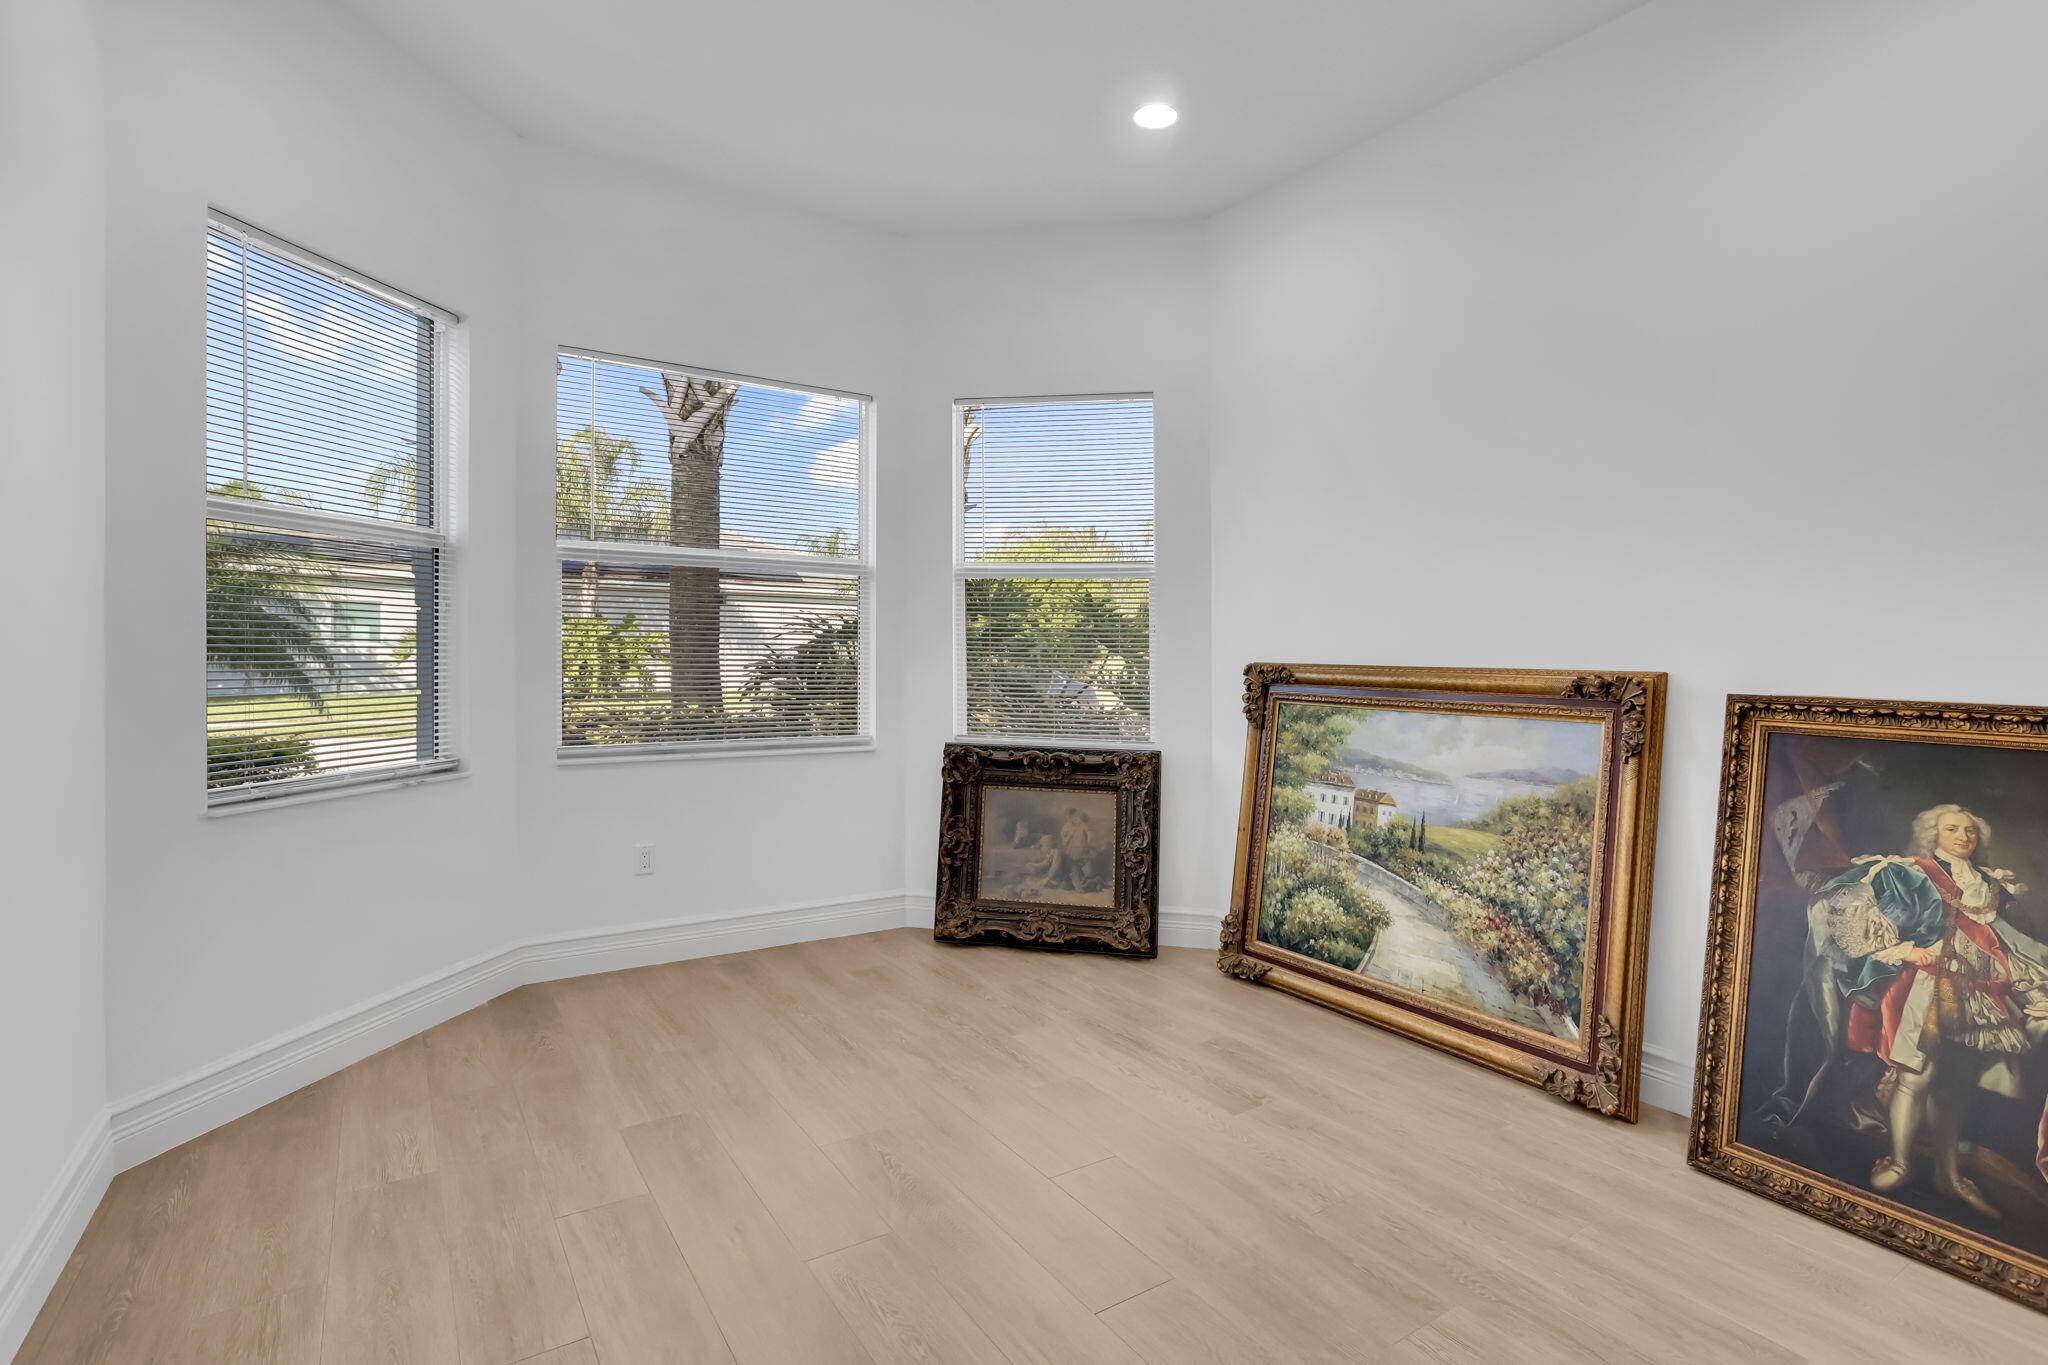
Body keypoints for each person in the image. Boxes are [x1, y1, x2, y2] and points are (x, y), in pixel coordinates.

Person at [1804, 804, 2048, 1217]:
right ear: (1933, 833)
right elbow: (1871, 916)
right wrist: (1906, 950)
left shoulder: (1990, 883)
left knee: (1957, 1082)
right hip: (1925, 985)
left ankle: (1948, 1174)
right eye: (1952, 828)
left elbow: (2002, 941)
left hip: (1980, 990)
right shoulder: (1910, 871)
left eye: (1970, 831)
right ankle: (1899, 1160)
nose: (1963, 836)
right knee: (1917, 1076)